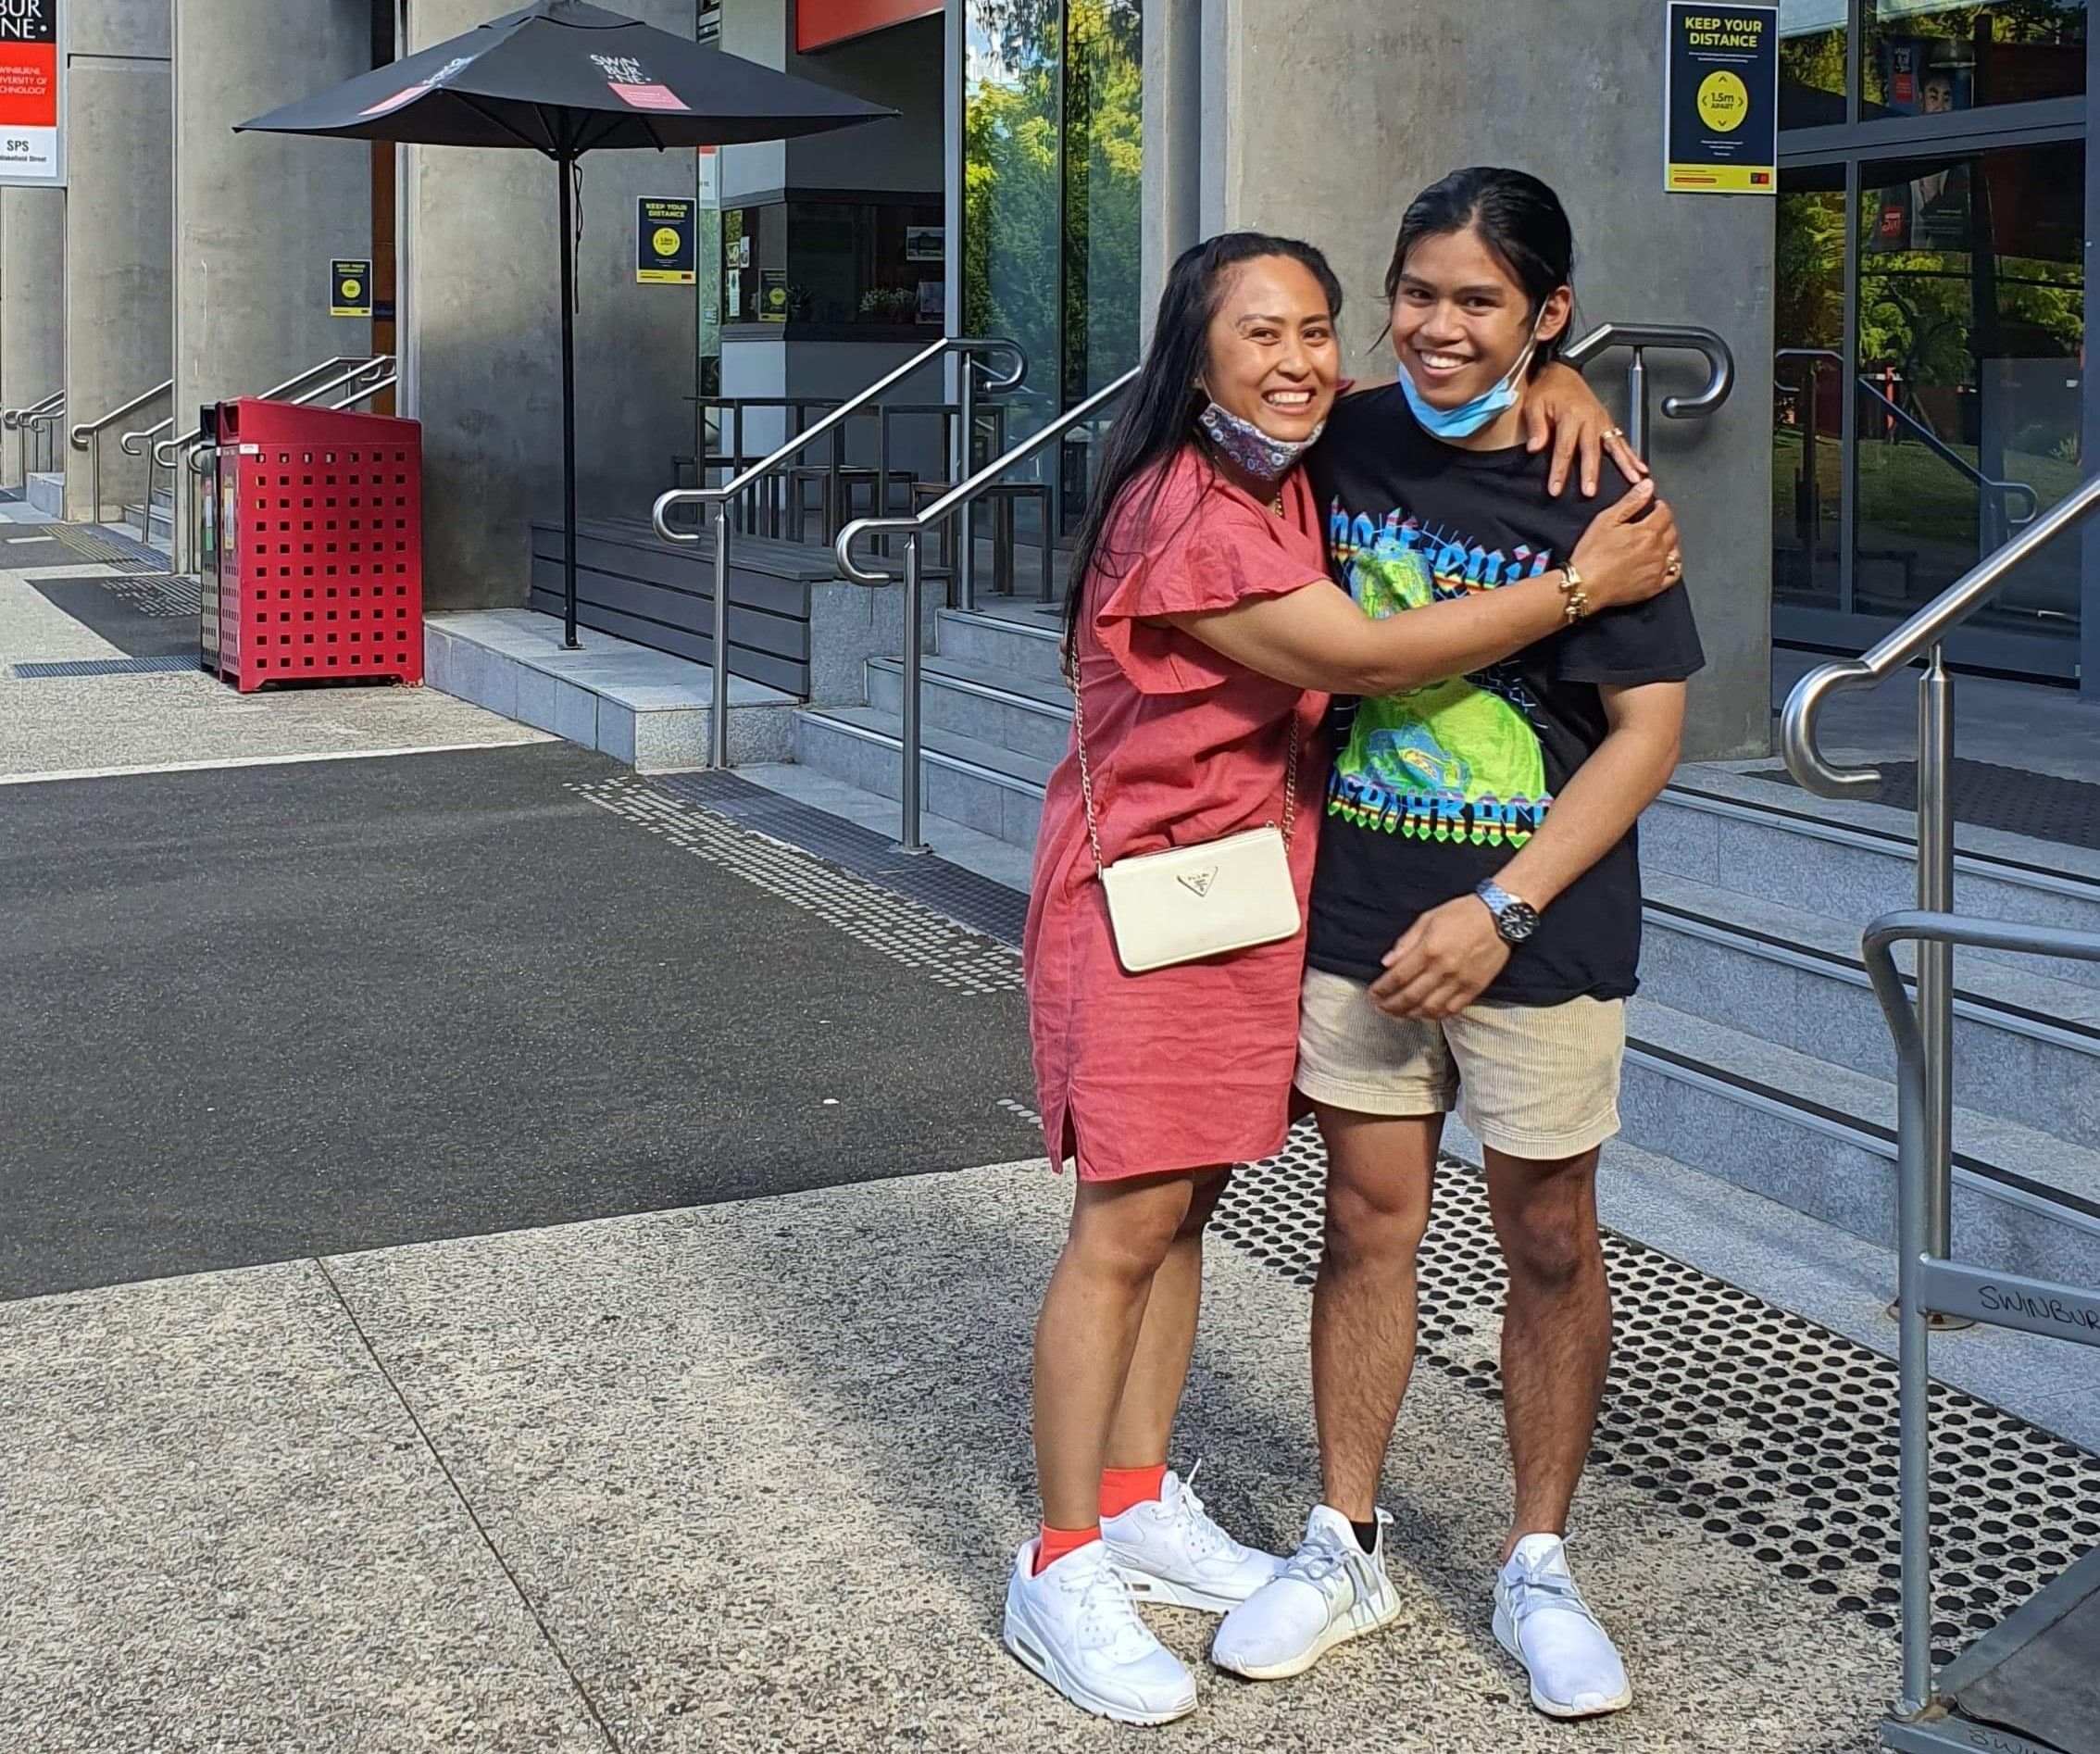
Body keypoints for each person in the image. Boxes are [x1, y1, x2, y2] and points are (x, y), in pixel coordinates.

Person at [1008, 227, 1684, 1725]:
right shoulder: (1186, 512)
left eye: (1321, 328)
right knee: (1127, 1216)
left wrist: (1561, 379)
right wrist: (1577, 585)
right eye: (1265, 333)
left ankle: (1129, 1498)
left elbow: (1472, 381)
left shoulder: (1318, 454)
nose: (1308, 359)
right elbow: (1370, 658)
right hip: (1157, 900)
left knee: (1185, 1204)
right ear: (1192, 356)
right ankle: (1060, 1562)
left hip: (1260, 900)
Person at [1210, 169, 1703, 1721]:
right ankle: (1344, 1535)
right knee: (1365, 1221)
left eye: (1481, 303)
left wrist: (1505, 909)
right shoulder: (1341, 436)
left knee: (1549, 1234)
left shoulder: (1597, 485)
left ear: (1548, 315)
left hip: (1538, 924)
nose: (1436, 326)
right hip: (1361, 903)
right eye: (1416, 292)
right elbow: (1211, 412)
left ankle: (1537, 1556)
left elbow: (1648, 734)